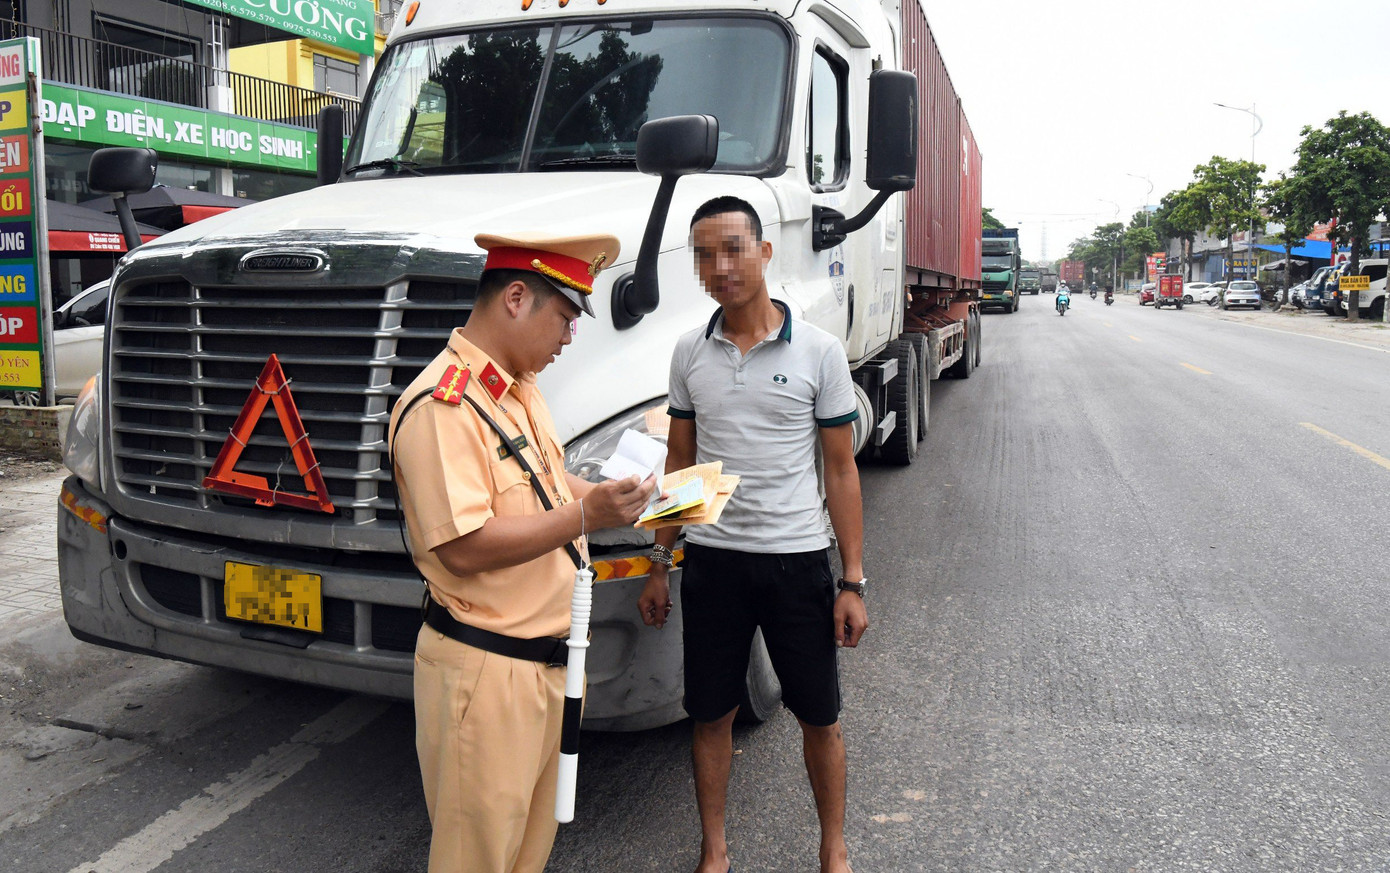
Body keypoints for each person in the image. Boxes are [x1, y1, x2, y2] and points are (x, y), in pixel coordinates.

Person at [389, 231, 657, 873]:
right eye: (565, 318)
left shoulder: (516, 387)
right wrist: (586, 514)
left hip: (549, 667)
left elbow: (544, 476)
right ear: (516, 298)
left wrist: (605, 494)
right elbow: (464, 546)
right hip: (488, 675)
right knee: (475, 860)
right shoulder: (443, 406)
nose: (569, 337)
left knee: (527, 855)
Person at [638, 196, 869, 873]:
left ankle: (833, 846)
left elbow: (841, 469)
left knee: (818, 716)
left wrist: (851, 579)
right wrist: (660, 559)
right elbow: (684, 461)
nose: (720, 266)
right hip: (714, 564)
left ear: (765, 253)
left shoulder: (819, 352)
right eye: (705, 254)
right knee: (710, 713)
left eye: (733, 248)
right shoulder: (690, 351)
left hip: (797, 563)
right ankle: (714, 848)